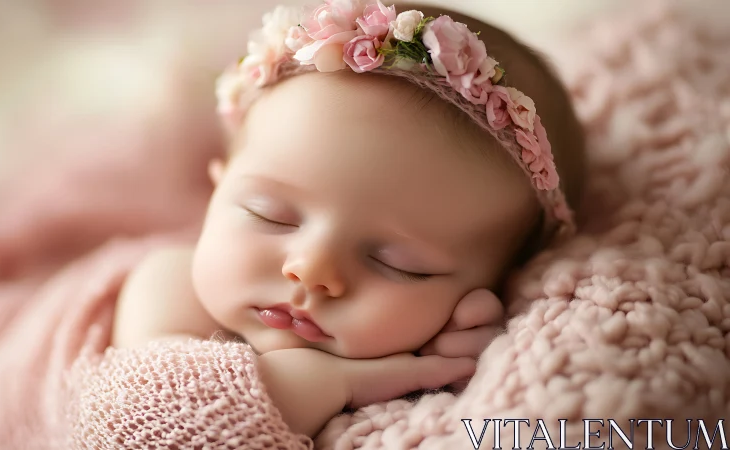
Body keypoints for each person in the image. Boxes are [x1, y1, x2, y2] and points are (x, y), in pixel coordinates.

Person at [111, 0, 585, 438]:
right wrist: (333, 383)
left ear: (497, 281)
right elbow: (147, 424)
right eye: (269, 216)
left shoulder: (439, 358)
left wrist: (461, 358)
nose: (312, 270)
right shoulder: (167, 286)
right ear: (216, 191)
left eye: (399, 264)